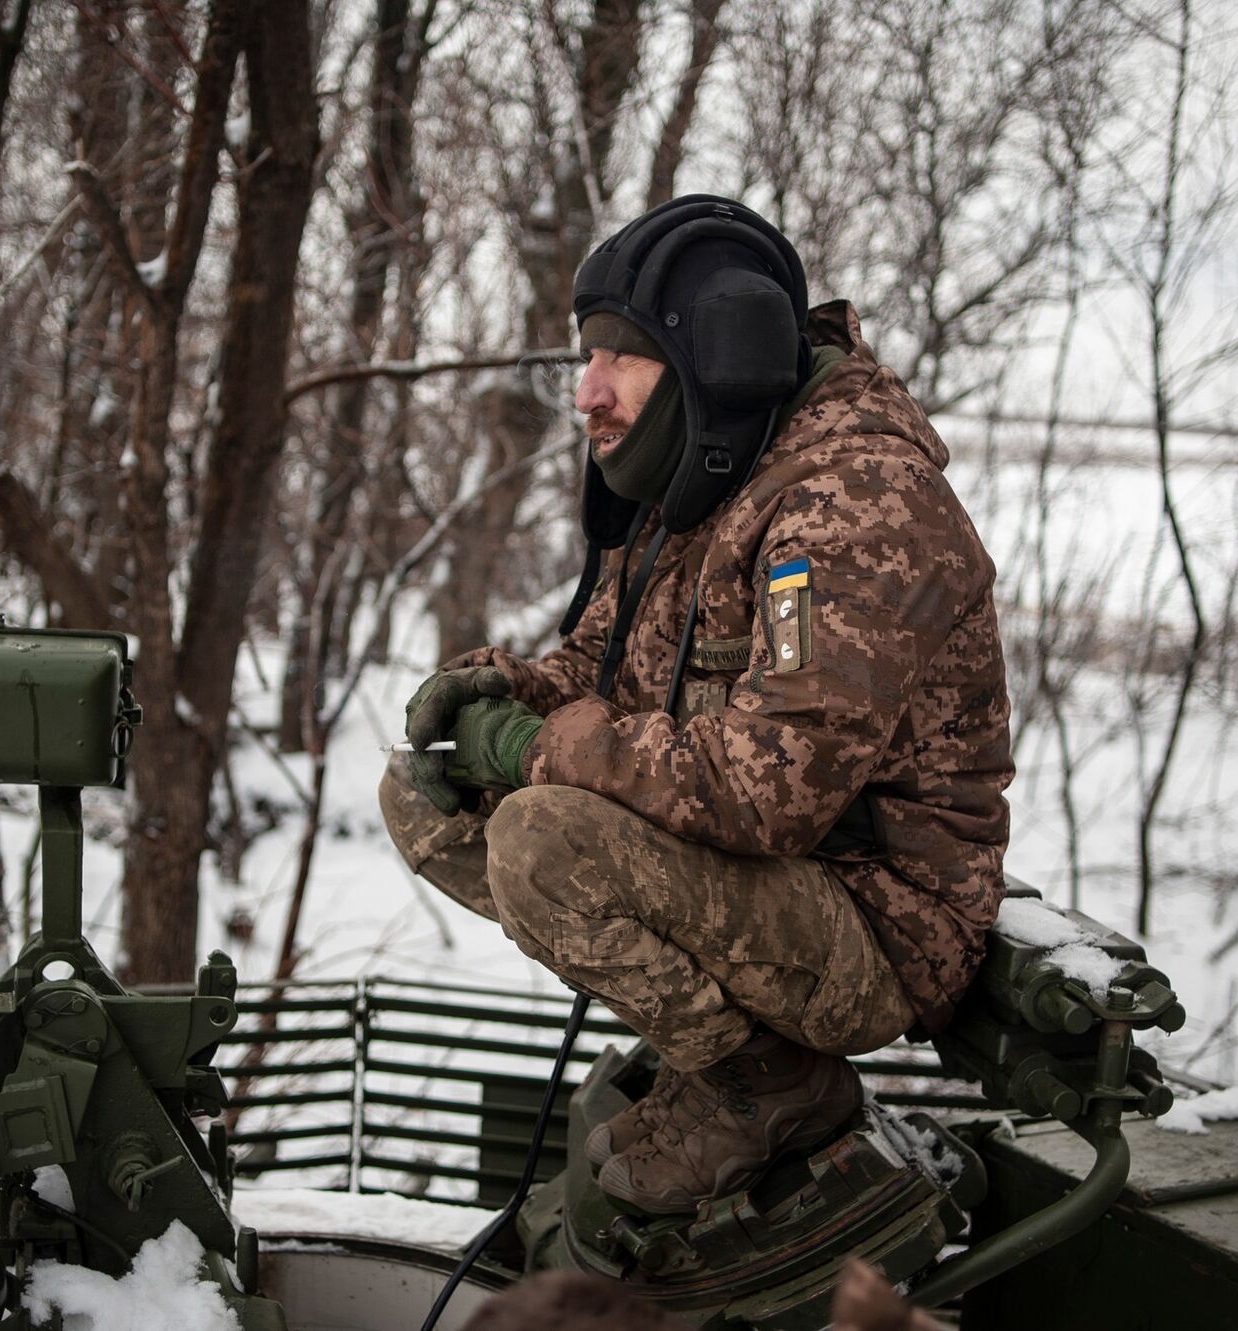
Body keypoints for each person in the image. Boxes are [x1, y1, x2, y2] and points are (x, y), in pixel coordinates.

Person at [380, 195, 1012, 1214]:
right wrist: (506, 691)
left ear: (718, 364)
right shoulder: (710, 475)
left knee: (544, 838)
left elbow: (772, 792)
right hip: (764, 879)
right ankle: (709, 1036)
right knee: (424, 792)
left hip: (871, 915)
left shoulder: (853, 506)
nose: (585, 393)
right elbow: (604, 660)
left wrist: (539, 749)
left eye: (618, 359)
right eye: (582, 359)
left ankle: (767, 1079)